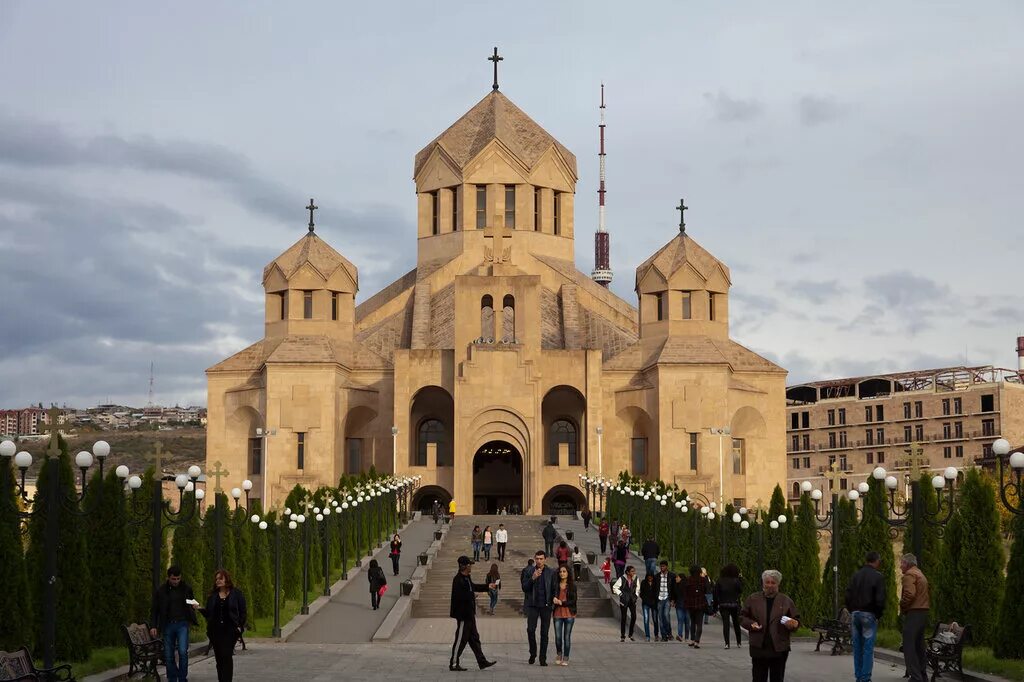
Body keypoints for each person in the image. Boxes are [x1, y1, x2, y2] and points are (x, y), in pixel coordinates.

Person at [740, 569, 800, 682]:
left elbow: (796, 620)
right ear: (763, 583)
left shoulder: (786, 601)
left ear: (778, 584)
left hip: (779, 647)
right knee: (758, 677)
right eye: (767, 582)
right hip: (759, 646)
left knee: (777, 678)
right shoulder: (753, 599)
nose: (770, 585)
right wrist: (751, 624)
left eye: (773, 582)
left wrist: (793, 624)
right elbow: (742, 617)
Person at [150, 565, 199, 682]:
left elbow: (192, 600)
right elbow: (154, 609)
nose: (176, 581)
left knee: (182, 651)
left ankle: (182, 677)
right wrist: (153, 626)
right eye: (173, 579)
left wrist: (194, 605)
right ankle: (172, 677)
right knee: (168, 653)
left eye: (178, 579)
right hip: (168, 624)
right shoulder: (161, 591)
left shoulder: (186, 588)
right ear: (168, 578)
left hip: (182, 624)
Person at [449, 555, 497, 671]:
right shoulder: (458, 580)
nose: (471, 567)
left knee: (475, 639)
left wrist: (487, 586)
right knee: (460, 640)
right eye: (469, 565)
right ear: (464, 566)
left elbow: (473, 587)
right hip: (463, 615)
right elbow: (459, 596)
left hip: (470, 614)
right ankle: (454, 664)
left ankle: (482, 662)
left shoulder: (467, 578)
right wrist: (472, 595)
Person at [198, 569, 246, 682]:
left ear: (226, 579)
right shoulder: (213, 596)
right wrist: (199, 608)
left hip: (230, 631)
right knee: (219, 659)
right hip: (215, 632)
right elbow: (209, 614)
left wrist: (240, 626)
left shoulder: (236, 594)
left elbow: (243, 611)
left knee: (226, 656)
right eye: (216, 579)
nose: (218, 581)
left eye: (220, 578)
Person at [845, 551, 886, 682]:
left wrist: (852, 610)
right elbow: (880, 599)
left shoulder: (856, 575)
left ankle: (859, 676)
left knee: (857, 647)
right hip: (869, 614)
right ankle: (865, 677)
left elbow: (847, 595)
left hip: (855, 614)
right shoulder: (878, 577)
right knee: (868, 648)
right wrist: (878, 614)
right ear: (877, 561)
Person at [900, 553, 930, 682]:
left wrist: (902, 604)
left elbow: (910, 594)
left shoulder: (909, 575)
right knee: (919, 645)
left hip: (914, 612)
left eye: (901, 563)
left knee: (909, 646)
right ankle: (923, 675)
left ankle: (915, 677)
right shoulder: (920, 573)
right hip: (923, 612)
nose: (900, 566)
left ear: (907, 564)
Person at [521, 550, 555, 665]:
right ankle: (533, 653)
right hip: (533, 605)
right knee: (530, 630)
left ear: (545, 559)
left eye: (541, 559)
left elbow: (554, 588)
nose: (539, 561)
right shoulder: (529, 571)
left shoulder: (551, 572)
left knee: (544, 633)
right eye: (537, 559)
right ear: (535, 559)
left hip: (546, 606)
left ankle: (542, 658)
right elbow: (524, 588)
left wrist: (553, 601)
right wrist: (532, 578)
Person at [552, 564, 577, 666]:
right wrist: (553, 598)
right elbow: (551, 595)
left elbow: (573, 601)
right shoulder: (555, 585)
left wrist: (562, 603)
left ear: (568, 573)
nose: (562, 574)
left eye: (564, 572)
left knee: (566, 637)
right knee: (558, 637)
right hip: (557, 614)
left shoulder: (572, 585)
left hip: (569, 614)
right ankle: (559, 654)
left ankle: (566, 657)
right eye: (560, 572)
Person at [715, 563, 745, 649]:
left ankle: (727, 643)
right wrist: (740, 578)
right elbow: (741, 590)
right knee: (736, 623)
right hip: (734, 604)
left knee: (726, 624)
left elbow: (716, 593)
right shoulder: (736, 580)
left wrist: (716, 605)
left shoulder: (720, 580)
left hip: (723, 604)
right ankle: (739, 642)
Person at [683, 565, 709, 648]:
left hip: (690, 603)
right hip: (700, 603)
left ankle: (692, 640)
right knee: (699, 623)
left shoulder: (688, 579)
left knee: (693, 622)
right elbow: (707, 590)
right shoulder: (703, 580)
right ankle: (697, 641)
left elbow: (685, 592)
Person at [612, 565, 640, 642]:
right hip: (624, 601)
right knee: (624, 618)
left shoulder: (636, 578)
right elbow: (615, 587)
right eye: (632, 571)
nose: (634, 573)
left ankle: (631, 634)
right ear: (627, 572)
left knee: (634, 616)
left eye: (634, 571)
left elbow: (638, 588)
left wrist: (636, 596)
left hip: (632, 600)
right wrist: (621, 594)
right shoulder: (622, 578)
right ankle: (622, 636)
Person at [655, 560, 674, 642]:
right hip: (659, 598)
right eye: (661, 566)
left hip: (667, 598)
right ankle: (663, 636)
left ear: (666, 567)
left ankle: (669, 632)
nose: (662, 568)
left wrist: (673, 600)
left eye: (663, 566)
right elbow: (655, 588)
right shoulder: (657, 576)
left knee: (666, 615)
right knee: (660, 618)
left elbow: (674, 589)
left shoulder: (671, 576)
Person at [670, 571, 691, 643]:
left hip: (684, 605)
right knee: (683, 621)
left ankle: (684, 636)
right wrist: (673, 601)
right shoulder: (676, 585)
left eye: (677, 577)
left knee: (684, 621)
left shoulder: (685, 585)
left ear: (681, 578)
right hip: (681, 605)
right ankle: (682, 636)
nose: (676, 578)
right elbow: (674, 595)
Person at [639, 572, 660, 642]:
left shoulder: (656, 583)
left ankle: (656, 635)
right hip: (646, 603)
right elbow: (641, 593)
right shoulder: (643, 582)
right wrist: (645, 599)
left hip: (654, 604)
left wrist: (655, 600)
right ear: (647, 577)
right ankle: (647, 636)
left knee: (655, 619)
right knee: (646, 620)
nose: (650, 578)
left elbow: (657, 592)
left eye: (651, 577)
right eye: (649, 577)